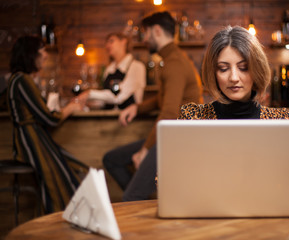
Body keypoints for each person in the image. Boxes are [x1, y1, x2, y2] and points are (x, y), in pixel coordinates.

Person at [103, 11, 203, 201]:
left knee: (129, 197)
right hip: (172, 136)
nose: (144, 39)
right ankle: (145, 200)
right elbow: (162, 99)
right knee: (112, 159)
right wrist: (137, 108)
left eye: (145, 33)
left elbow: (169, 112)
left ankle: (138, 198)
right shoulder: (172, 60)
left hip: (179, 140)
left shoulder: (175, 63)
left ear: (157, 31)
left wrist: (145, 149)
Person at [7, 36, 88, 213]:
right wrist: (70, 108)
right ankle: (63, 223)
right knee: (59, 178)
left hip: (35, 138)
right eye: (41, 52)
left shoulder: (19, 80)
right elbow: (50, 119)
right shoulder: (21, 80)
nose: (44, 56)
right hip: (30, 141)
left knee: (71, 171)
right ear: (31, 55)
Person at [178, 26, 289, 120]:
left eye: (243, 68)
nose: (233, 78)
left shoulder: (279, 120)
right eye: (223, 68)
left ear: (257, 70)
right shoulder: (193, 118)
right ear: (213, 73)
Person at [87, 32, 146, 109]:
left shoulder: (137, 67)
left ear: (124, 41)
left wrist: (89, 94)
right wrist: (87, 102)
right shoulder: (109, 69)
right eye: (106, 43)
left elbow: (119, 97)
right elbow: (103, 102)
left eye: (111, 41)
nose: (107, 46)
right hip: (107, 118)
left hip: (129, 118)